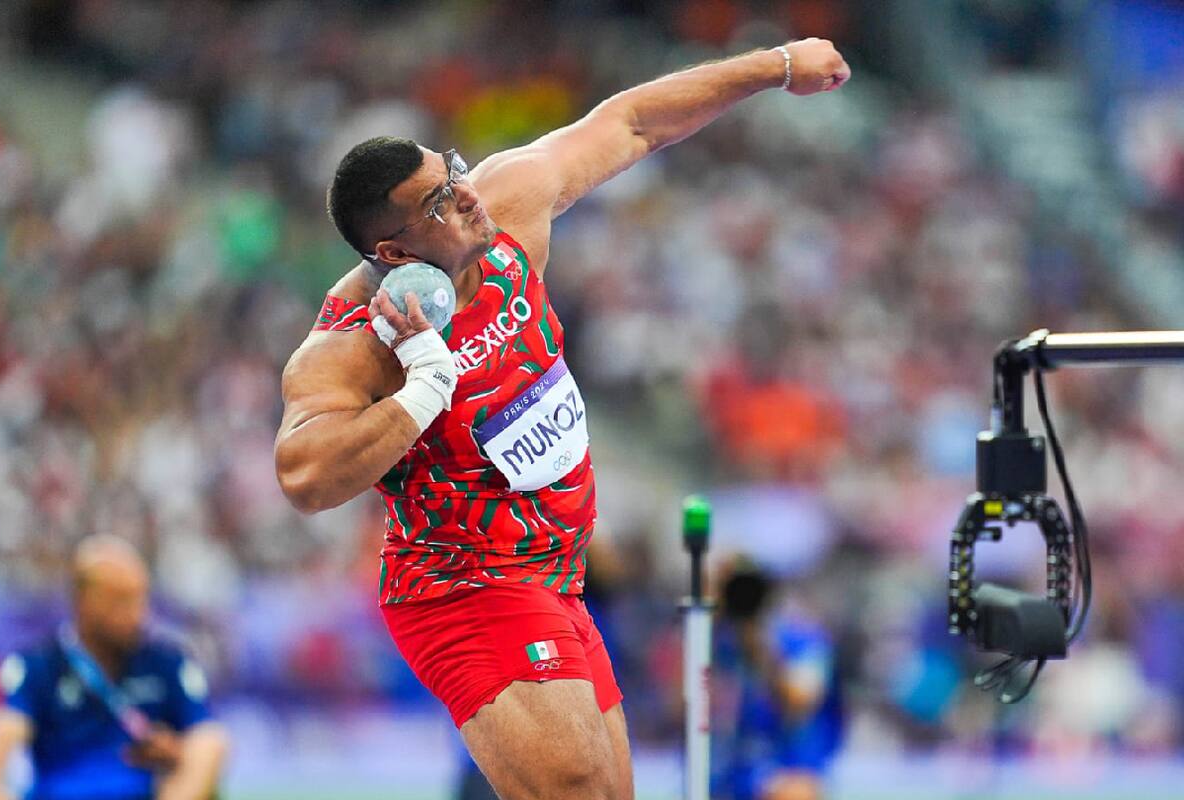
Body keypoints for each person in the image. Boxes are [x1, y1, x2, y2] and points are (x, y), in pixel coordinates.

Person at [274, 38, 851, 800]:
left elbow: (635, 122)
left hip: (558, 576)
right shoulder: (351, 346)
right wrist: (421, 390)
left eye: (450, 170)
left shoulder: (506, 214)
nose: (466, 191)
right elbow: (305, 477)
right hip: (464, 587)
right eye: (441, 200)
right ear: (392, 248)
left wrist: (777, 64)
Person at [0, 536, 228, 800]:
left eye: (141, 599)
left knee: (211, 744)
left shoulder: (166, 662)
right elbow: (0, 749)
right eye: (122, 601)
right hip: (61, 793)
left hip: (145, 793)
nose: (139, 614)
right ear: (85, 601)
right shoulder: (37, 666)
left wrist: (178, 754)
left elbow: (206, 739)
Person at [712, 561, 844, 800]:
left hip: (790, 765)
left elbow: (801, 699)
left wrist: (761, 651)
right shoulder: (716, 642)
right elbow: (677, 708)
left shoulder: (803, 639)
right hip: (730, 769)